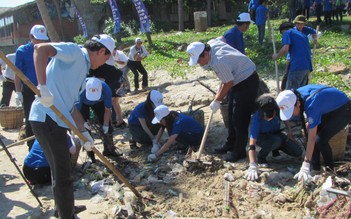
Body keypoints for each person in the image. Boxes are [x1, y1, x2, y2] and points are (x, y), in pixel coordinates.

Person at [29, 33, 115, 218]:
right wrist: (42, 86)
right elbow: (40, 49)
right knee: (63, 176)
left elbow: (72, 108)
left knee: (61, 171)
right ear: (100, 51)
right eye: (106, 58)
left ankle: (63, 208)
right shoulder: (75, 52)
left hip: (56, 120)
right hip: (47, 117)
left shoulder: (82, 70)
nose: (104, 64)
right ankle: (66, 215)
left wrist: (84, 133)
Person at [186, 39, 259, 162]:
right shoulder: (212, 44)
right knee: (230, 114)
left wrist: (217, 100)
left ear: (205, 54)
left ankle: (239, 152)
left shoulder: (218, 61)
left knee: (239, 118)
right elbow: (221, 39)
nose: (199, 63)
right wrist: (217, 99)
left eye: (199, 60)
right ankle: (230, 144)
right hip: (236, 78)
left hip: (247, 81)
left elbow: (228, 82)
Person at [276, 85, 351, 181]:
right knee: (310, 132)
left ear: (297, 103)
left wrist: (305, 163)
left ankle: (330, 171)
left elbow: (312, 138)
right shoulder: (294, 95)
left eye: (291, 111)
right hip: (327, 107)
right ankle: (316, 168)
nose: (292, 115)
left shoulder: (311, 105)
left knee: (320, 139)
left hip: (343, 109)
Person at [245, 95, 303, 181]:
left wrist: (289, 132)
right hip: (263, 137)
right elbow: (252, 144)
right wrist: (252, 164)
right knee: (276, 141)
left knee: (298, 151)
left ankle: (275, 150)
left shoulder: (278, 110)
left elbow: (285, 119)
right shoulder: (257, 117)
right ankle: (261, 157)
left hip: (276, 134)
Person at [15, 24, 49, 150]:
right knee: (31, 119)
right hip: (30, 90)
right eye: (37, 39)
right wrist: (18, 91)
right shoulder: (22, 51)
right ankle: (32, 147)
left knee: (47, 118)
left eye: (42, 39)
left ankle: (45, 146)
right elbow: (17, 72)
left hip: (45, 89)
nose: (40, 42)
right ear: (30, 37)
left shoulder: (47, 49)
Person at [76, 77, 121, 163]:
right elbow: (77, 112)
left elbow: (108, 110)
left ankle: (109, 149)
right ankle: (91, 155)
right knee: (85, 130)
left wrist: (106, 124)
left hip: (99, 103)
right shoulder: (80, 89)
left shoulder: (106, 89)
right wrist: (83, 125)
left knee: (108, 126)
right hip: (84, 105)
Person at [272, 22, 312, 90]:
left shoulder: (287, 33)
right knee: (301, 92)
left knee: (291, 93)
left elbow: (285, 48)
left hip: (297, 67)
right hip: (307, 67)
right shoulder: (302, 34)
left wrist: (277, 56)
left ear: (283, 31)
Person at [89, 61, 127, 129]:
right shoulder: (98, 61)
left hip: (114, 81)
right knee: (115, 102)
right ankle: (120, 121)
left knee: (108, 105)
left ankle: (110, 124)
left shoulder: (92, 67)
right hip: (120, 78)